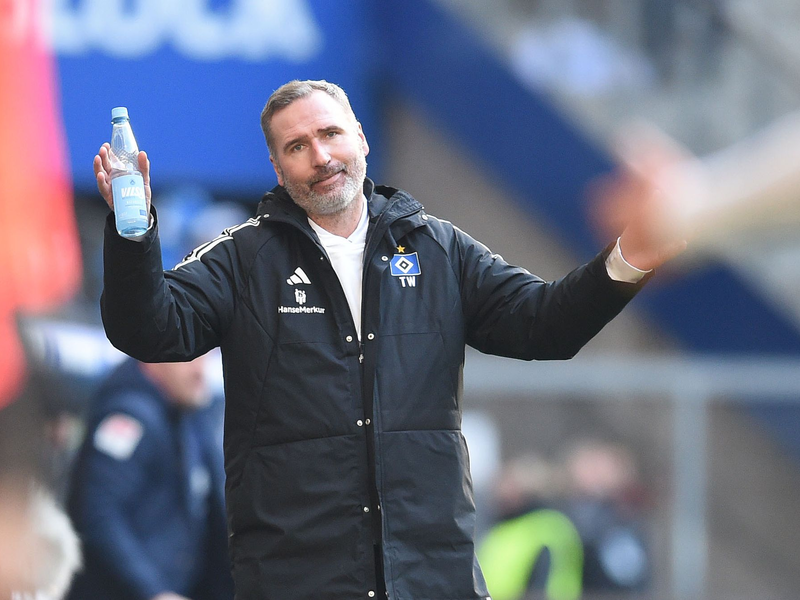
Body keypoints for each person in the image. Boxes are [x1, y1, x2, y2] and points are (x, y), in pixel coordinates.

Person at [93, 79, 685, 599]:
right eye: (297, 147)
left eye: (331, 134)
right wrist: (133, 234)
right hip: (296, 582)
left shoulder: (438, 247)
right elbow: (150, 330)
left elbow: (545, 324)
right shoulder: (243, 258)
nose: (320, 156)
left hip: (431, 578)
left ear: (361, 139)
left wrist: (630, 256)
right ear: (277, 169)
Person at [65, 357, 232, 600]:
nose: (200, 369)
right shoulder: (129, 416)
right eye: (189, 359)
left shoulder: (188, 418)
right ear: (153, 358)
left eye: (203, 358)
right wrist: (154, 592)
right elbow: (97, 512)